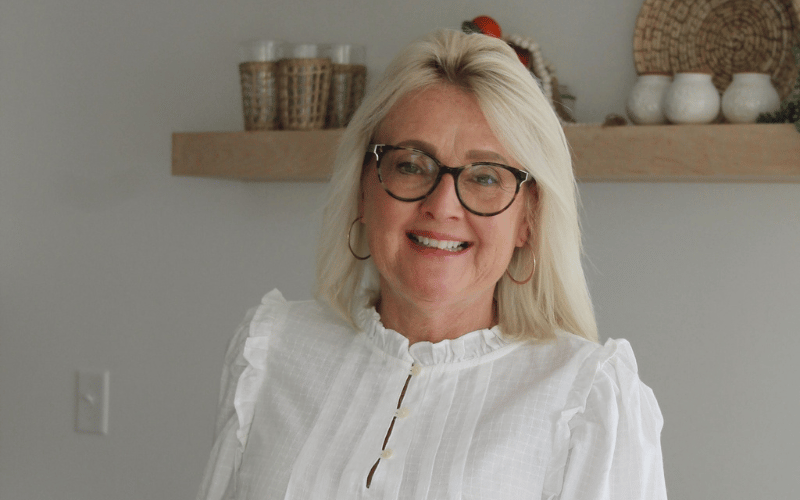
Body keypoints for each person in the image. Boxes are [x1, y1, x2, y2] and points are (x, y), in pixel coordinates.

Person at [196, 29, 667, 499]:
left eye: (486, 176)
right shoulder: (268, 351)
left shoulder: (586, 398)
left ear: (529, 219)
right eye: (411, 165)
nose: (443, 206)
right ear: (364, 188)